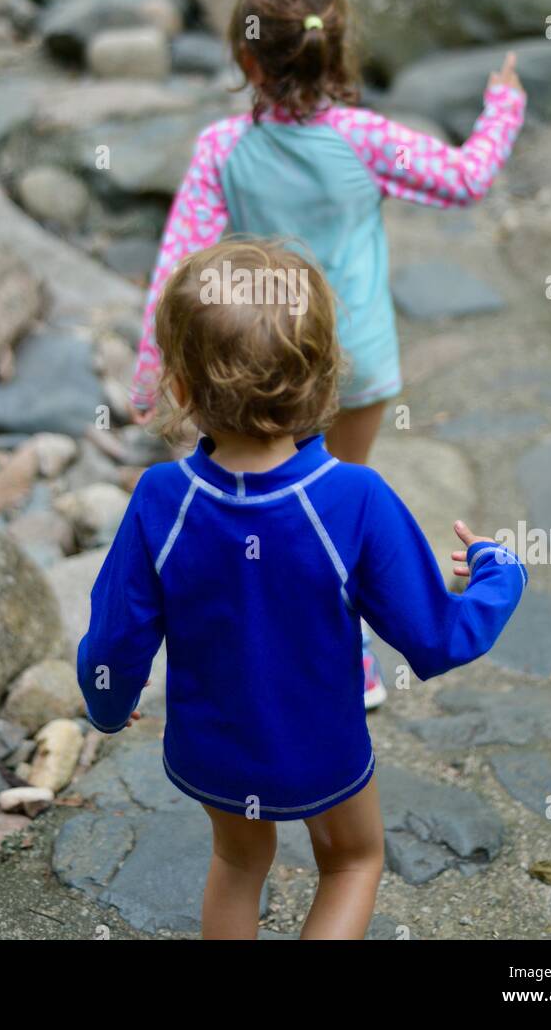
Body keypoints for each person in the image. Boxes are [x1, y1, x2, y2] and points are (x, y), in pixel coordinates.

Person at [79, 239, 528, 940]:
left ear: (182, 388)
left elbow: (116, 635)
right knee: (352, 861)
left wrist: (107, 706)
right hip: (321, 750)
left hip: (213, 749)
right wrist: (499, 574)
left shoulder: (161, 498)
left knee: (236, 860)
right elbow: (438, 640)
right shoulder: (353, 499)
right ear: (322, 381)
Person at [127, 0, 527, 708]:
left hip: (253, 370)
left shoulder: (221, 148)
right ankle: (353, 664)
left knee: (267, 510)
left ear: (246, 60)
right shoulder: (365, 138)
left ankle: (264, 651)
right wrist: (502, 104)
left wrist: (151, 378)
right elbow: (468, 178)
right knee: (336, 506)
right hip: (355, 367)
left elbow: (177, 270)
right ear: (339, 55)